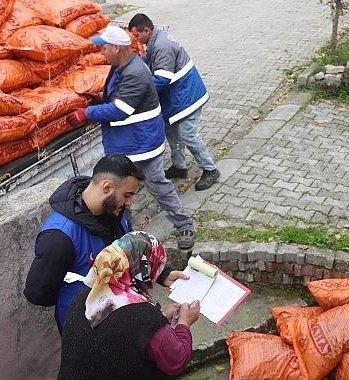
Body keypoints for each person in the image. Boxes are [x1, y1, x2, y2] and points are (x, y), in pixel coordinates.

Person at [66, 25, 196, 251]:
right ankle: (126, 236)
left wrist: (86, 113)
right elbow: (120, 94)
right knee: (120, 194)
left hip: (141, 144)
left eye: (104, 48)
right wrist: (100, 96)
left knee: (157, 185)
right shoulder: (121, 66)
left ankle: (184, 225)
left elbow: (120, 109)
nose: (102, 52)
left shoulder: (134, 72)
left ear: (117, 48)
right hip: (128, 143)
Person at [23, 154, 187, 333]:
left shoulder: (115, 209)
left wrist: (162, 274)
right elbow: (38, 293)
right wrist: (80, 294)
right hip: (86, 331)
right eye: (127, 195)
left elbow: (130, 251)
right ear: (107, 187)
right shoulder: (59, 237)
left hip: (121, 316)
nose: (130, 203)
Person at [58, 231, 201, 380]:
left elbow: (121, 334)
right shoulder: (144, 317)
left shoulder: (86, 296)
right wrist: (184, 322)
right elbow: (176, 360)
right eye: (157, 267)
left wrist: (162, 318)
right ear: (146, 269)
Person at [128, 13, 221, 191]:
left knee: (188, 134)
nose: (136, 40)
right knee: (171, 131)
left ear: (146, 30)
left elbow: (162, 78)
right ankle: (179, 166)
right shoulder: (155, 40)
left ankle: (210, 169)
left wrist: (141, 95)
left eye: (137, 35)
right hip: (178, 96)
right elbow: (150, 64)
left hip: (187, 97)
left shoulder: (161, 45)